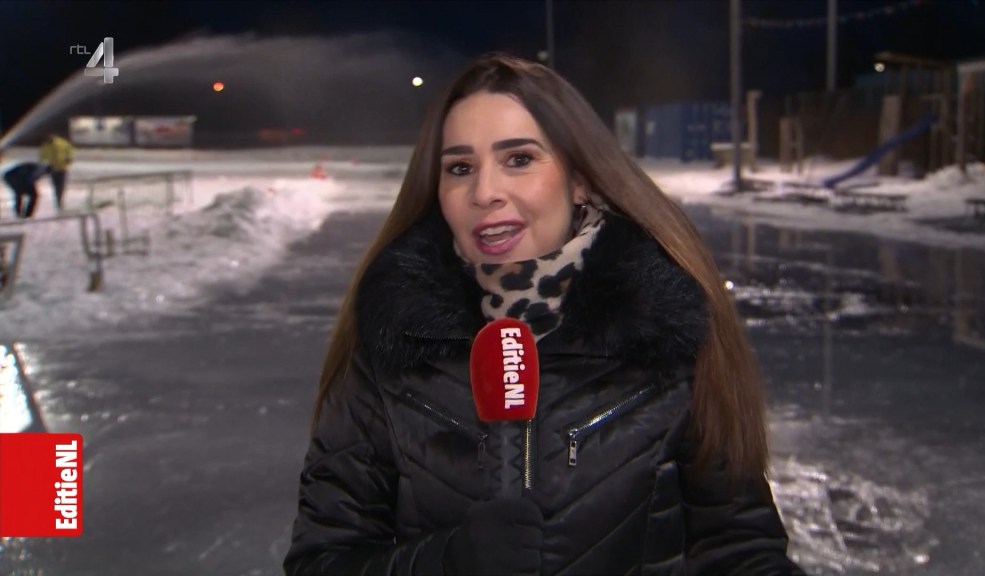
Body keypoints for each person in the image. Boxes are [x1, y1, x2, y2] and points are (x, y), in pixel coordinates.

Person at [284, 53, 805, 576]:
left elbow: (740, 551)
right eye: (460, 168)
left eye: (519, 159)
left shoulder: (668, 335)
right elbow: (322, 560)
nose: (485, 193)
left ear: (579, 179)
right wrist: (446, 563)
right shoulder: (392, 345)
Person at [39, 132, 75, 211]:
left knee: (61, 186)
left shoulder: (62, 143)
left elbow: (70, 150)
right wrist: (44, 165)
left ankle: (59, 201)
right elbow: (42, 157)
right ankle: (58, 201)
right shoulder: (45, 145)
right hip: (52, 169)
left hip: (62, 168)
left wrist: (69, 159)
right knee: (56, 186)